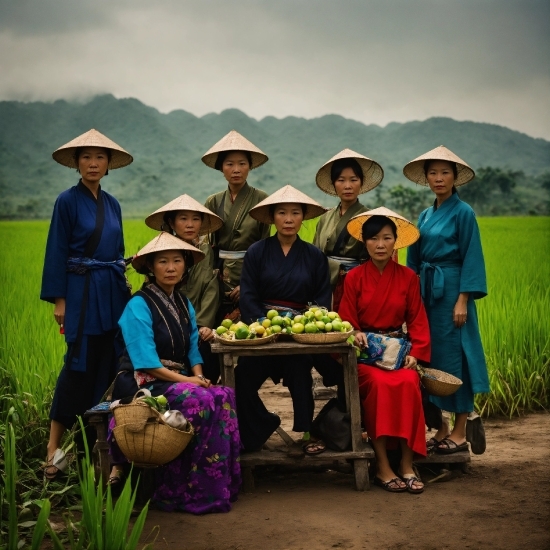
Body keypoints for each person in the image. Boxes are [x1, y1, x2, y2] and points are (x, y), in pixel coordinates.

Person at [109, 232, 241, 514]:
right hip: (140, 382)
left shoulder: (183, 302)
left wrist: (199, 375)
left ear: (185, 266)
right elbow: (145, 363)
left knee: (223, 395)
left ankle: (210, 486)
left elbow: (192, 347)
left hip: (174, 380)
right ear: (150, 267)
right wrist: (191, 382)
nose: (171, 267)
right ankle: (176, 487)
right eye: (163, 262)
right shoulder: (137, 305)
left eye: (177, 261)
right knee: (200, 400)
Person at [40, 129, 133, 480]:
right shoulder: (66, 201)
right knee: (77, 365)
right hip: (79, 293)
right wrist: (60, 299)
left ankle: (96, 448)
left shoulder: (113, 204)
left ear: (108, 164)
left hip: (110, 293)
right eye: (86, 158)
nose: (92, 164)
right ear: (76, 163)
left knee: (107, 366)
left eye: (99, 158)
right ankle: (52, 448)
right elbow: (56, 251)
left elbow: (117, 254)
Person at [404, 146, 489, 454]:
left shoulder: (464, 213)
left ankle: (461, 429)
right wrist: (410, 298)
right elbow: (412, 260)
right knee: (429, 360)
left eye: (445, 173)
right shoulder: (425, 215)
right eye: (433, 173)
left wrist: (463, 299)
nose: (438, 178)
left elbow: (471, 256)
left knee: (458, 359)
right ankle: (439, 427)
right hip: (427, 295)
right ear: (426, 178)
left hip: (453, 291)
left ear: (455, 178)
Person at [235, 185, 333, 453]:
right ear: (272, 217)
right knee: (241, 379)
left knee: (301, 373)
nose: (288, 219)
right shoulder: (256, 251)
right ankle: (262, 424)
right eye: (282, 213)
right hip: (261, 331)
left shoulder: (314, 256)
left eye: (295, 213)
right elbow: (248, 295)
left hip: (298, 331)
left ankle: (305, 432)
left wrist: (300, 325)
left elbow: (322, 300)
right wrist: (262, 325)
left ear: (303, 217)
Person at [339, 208, 431, 493]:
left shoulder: (408, 278)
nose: (380, 244)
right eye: (374, 238)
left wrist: (417, 352)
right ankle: (382, 465)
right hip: (367, 358)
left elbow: (417, 319)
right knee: (378, 385)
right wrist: (354, 333)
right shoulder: (353, 277)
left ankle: (406, 464)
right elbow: (346, 320)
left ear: (396, 242)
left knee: (408, 382)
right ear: (364, 243)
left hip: (397, 354)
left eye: (387, 238)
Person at [145, 194, 223, 382]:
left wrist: (204, 324)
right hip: (168, 324)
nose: (190, 224)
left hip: (198, 322)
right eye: (183, 218)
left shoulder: (207, 251)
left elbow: (211, 287)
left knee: (209, 349)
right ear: (171, 223)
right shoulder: (160, 250)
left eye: (196, 219)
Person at [202, 130, 270, 324]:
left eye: (242, 163)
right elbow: (206, 245)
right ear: (221, 168)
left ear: (250, 167)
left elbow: (266, 246)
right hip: (219, 276)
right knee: (217, 327)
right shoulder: (213, 202)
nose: (236, 169)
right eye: (229, 164)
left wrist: (249, 283)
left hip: (249, 271)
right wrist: (211, 280)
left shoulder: (261, 199)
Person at [313, 148, 383, 309]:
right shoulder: (325, 217)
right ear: (333, 183)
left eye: (353, 179)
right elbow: (315, 254)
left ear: (361, 182)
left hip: (354, 283)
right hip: (324, 283)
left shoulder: (369, 218)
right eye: (341, 180)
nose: (347, 186)